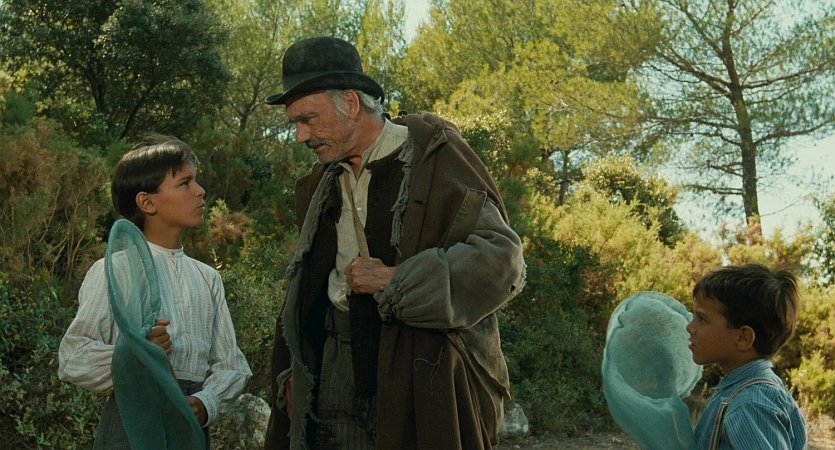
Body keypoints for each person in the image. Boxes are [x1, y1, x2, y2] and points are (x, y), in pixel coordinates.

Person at [263, 36, 526, 450]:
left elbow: (502, 259)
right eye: (295, 123)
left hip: (419, 372)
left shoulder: (435, 161)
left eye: (308, 119)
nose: (300, 136)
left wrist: (396, 279)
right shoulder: (319, 185)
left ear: (351, 103)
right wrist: (299, 371)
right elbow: (309, 288)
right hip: (335, 371)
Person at [58, 134, 252, 449]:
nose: (200, 190)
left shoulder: (208, 278)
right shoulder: (116, 269)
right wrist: (138, 353)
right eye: (185, 183)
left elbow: (232, 365)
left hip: (189, 428)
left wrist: (205, 403)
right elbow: (73, 357)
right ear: (147, 202)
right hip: (132, 425)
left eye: (196, 181)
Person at [687, 263, 807, 450]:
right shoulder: (749, 391)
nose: (690, 327)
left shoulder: (749, 405)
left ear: (743, 338)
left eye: (702, 319)